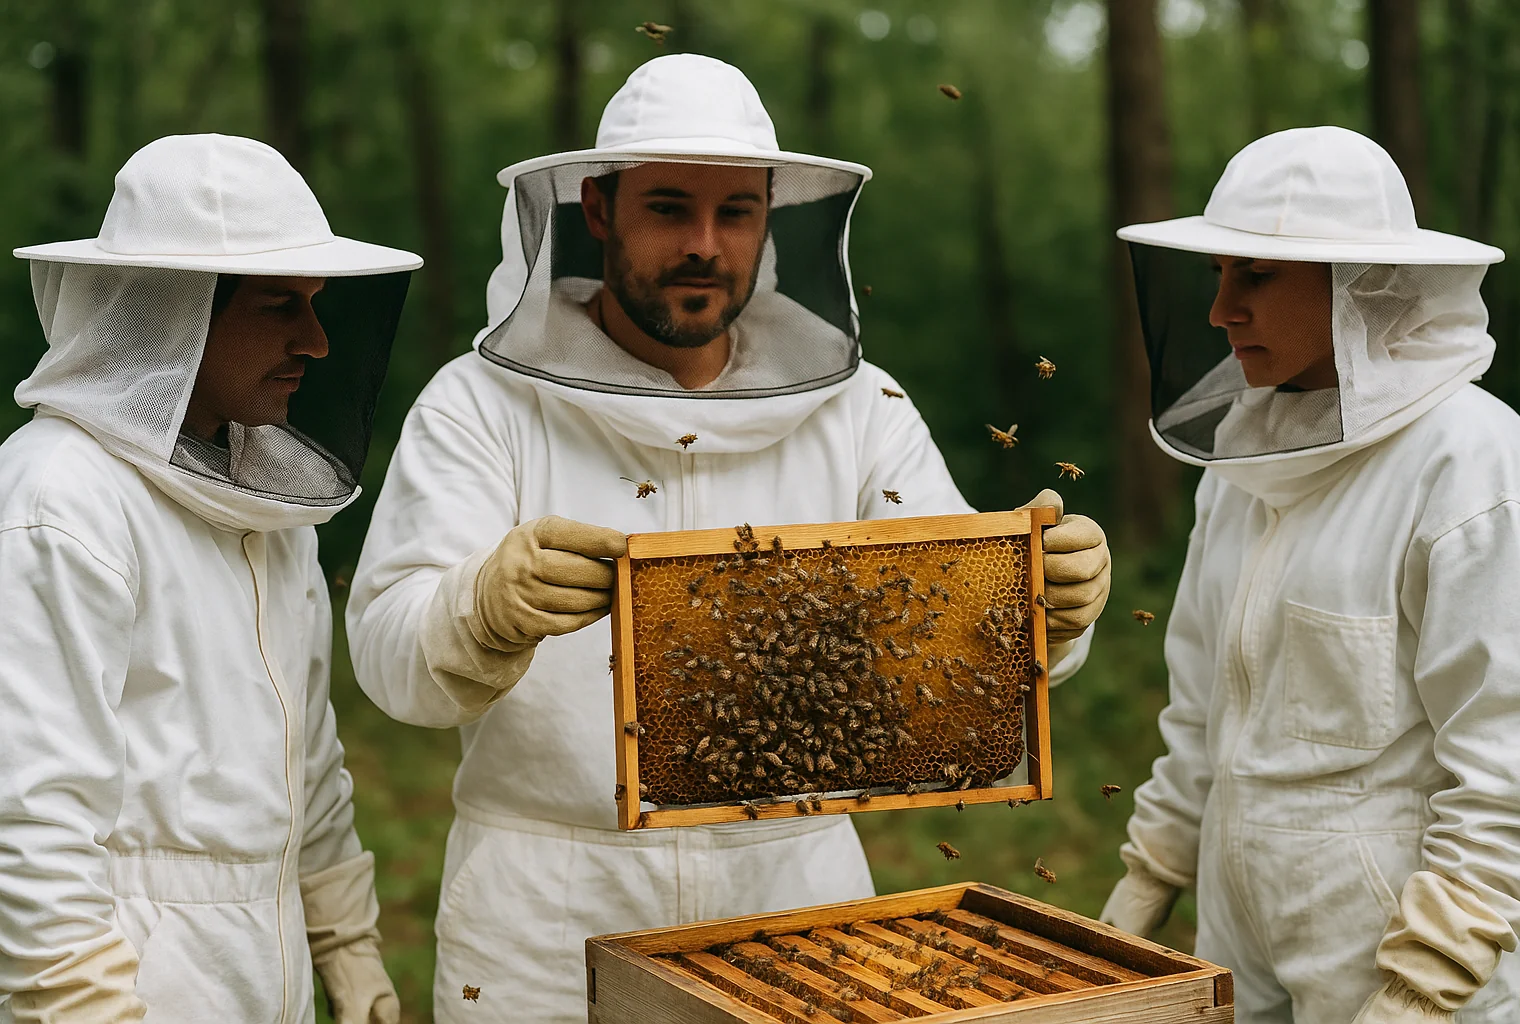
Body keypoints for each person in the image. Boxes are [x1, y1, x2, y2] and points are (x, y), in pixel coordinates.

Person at [346, 54, 1112, 1022]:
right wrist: (480, 609)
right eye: (668, 208)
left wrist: (1053, 605)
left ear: (771, 218)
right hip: (546, 924)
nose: (704, 245)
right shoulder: (483, 408)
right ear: (596, 207)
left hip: (798, 908)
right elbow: (385, 650)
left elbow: (963, 623)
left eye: (735, 213)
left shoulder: (859, 411)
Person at [1100, 125, 1520, 1024]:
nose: (1222, 310)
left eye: (1254, 276)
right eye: (1219, 275)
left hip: (1391, 953)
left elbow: (1510, 762)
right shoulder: (1242, 454)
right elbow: (1201, 710)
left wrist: (1427, 984)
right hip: (1235, 932)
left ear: (1355, 283)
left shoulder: (1471, 460)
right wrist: (1151, 876)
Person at [0, 134, 420, 1023]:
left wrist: (344, 941)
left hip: (266, 979)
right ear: (172, 311)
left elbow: (305, 759)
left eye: (314, 304)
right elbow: (26, 819)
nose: (316, 340)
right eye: (279, 306)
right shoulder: (58, 499)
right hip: (127, 985)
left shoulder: (266, 503)